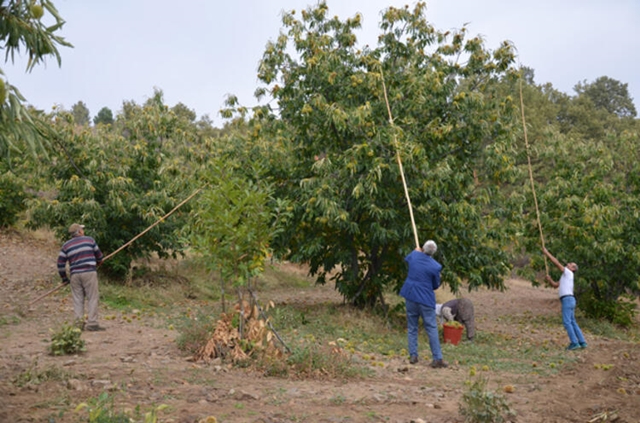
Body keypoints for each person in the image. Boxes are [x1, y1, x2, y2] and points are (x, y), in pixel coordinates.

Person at [399, 240, 448, 368]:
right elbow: (435, 285)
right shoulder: (435, 266)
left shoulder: (414, 256)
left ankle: (413, 355)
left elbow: (408, 258)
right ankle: (437, 358)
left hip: (410, 295)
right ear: (434, 252)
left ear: (422, 248)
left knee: (412, 327)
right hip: (425, 299)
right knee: (431, 328)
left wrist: (416, 251)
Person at [57, 223, 105, 331]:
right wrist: (99, 262)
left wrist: (64, 279)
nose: (83, 231)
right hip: (89, 272)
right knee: (92, 297)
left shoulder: (66, 245)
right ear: (79, 232)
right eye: (82, 229)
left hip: (75, 275)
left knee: (78, 299)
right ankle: (92, 323)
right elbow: (100, 257)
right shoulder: (90, 240)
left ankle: (78, 324)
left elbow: (60, 264)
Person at [542, 247, 586, 350]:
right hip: (569, 300)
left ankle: (574, 343)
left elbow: (557, 263)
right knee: (572, 321)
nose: (569, 264)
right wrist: (549, 280)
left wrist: (547, 253)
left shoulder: (568, 273)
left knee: (567, 322)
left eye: (571, 264)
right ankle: (582, 341)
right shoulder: (565, 276)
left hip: (567, 299)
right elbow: (555, 285)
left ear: (573, 269)